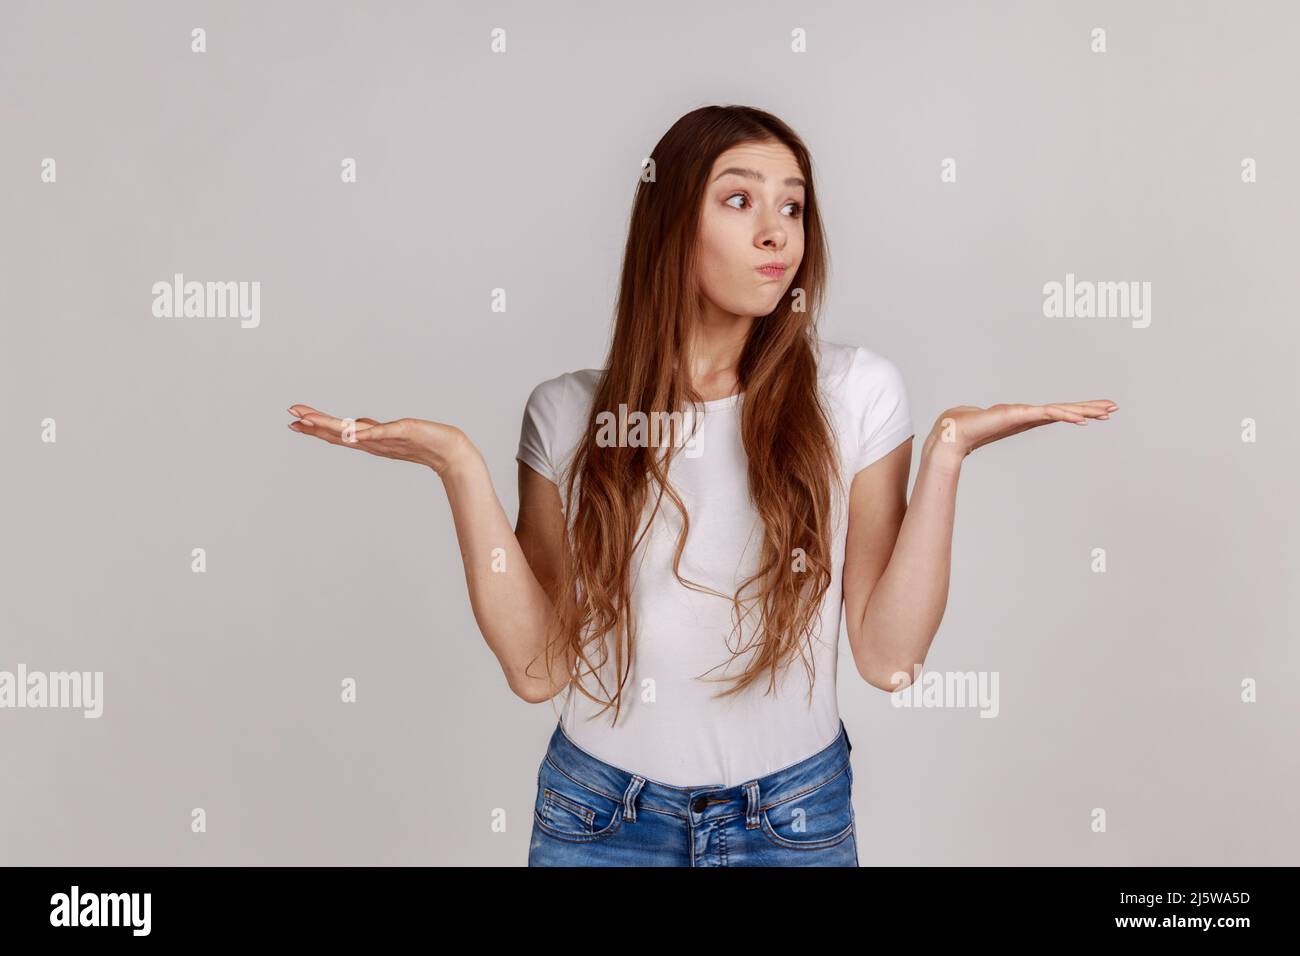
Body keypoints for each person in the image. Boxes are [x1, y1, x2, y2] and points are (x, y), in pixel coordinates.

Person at [286, 104, 1117, 867]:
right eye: (739, 200)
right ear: (672, 222)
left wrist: (946, 455)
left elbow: (890, 660)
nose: (776, 233)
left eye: (792, 206)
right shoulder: (569, 413)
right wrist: (458, 468)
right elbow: (538, 670)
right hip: (598, 822)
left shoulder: (857, 391)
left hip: (793, 822)